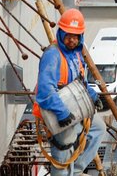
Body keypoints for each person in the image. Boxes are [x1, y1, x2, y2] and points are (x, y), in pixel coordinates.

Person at [35, 9, 105, 176]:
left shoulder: (76, 54)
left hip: (73, 105)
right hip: (55, 110)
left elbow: (80, 81)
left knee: (98, 129)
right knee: (63, 147)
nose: (72, 40)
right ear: (61, 33)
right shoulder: (53, 55)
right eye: (68, 35)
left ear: (80, 37)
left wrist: (93, 97)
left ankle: (76, 171)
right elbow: (45, 92)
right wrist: (62, 113)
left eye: (76, 36)